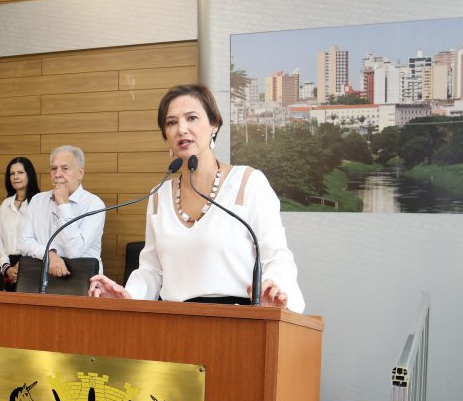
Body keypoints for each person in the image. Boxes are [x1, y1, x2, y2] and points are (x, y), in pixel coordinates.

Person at [88, 83, 304, 312]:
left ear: (214, 125)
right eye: (171, 122)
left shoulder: (248, 182)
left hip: (239, 320)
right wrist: (128, 295)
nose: (181, 129)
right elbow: (152, 270)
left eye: (191, 118)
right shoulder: (159, 195)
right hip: (174, 323)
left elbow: (276, 257)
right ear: (166, 136)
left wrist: (274, 295)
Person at [18, 145, 106, 278]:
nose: (57, 174)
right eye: (53, 169)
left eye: (65, 168)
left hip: (82, 282)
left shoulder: (94, 204)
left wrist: (63, 205)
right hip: (41, 280)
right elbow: (24, 242)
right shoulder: (37, 200)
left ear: (80, 174)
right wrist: (49, 254)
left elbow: (74, 251)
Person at [0, 156, 41, 290]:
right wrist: (7, 268)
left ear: (29, 175)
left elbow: (42, 240)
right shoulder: (5, 204)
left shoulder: (39, 202)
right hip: (9, 268)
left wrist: (22, 265)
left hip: (32, 265)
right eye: (12, 173)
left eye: (20, 172)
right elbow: (2, 242)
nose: (16, 177)